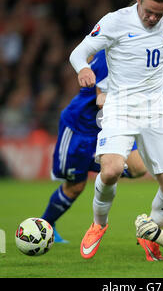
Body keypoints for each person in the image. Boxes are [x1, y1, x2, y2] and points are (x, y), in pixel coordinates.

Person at [69, 0, 163, 260]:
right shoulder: (115, 22)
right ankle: (98, 224)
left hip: (156, 109)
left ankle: (150, 232)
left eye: (159, 14)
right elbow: (78, 52)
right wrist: (83, 68)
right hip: (120, 106)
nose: (153, 18)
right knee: (111, 170)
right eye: (149, 11)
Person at [41, 50, 147, 242]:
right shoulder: (112, 55)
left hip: (111, 124)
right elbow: (101, 101)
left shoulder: (136, 52)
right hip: (81, 129)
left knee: (138, 167)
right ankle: (45, 225)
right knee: (75, 186)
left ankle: (108, 168)